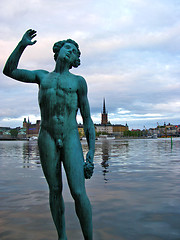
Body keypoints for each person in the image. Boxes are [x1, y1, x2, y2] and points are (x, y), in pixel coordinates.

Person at [3, 29, 95, 240]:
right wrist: (22, 44)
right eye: (67, 47)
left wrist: (91, 152)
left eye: (73, 50)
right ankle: (61, 237)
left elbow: (88, 119)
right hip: (47, 138)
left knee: (79, 193)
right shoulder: (41, 76)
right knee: (54, 190)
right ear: (58, 51)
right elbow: (9, 70)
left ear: (74, 60)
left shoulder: (79, 82)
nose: (69, 51)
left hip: (71, 136)